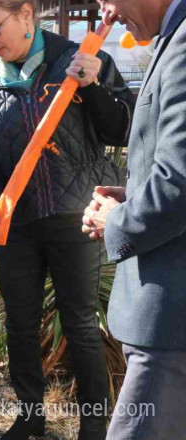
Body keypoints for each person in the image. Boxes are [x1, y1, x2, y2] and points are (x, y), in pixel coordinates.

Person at [0, 0, 135, 438]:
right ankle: (30, 417)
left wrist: (92, 85)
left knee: (79, 323)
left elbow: (123, 130)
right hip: (15, 222)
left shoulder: (81, 60)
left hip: (75, 214)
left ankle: (93, 425)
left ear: (25, 14)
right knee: (19, 323)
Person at [81, 0, 186, 438]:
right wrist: (130, 198)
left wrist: (118, 221)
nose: (105, 10)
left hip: (171, 316)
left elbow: (179, 180)